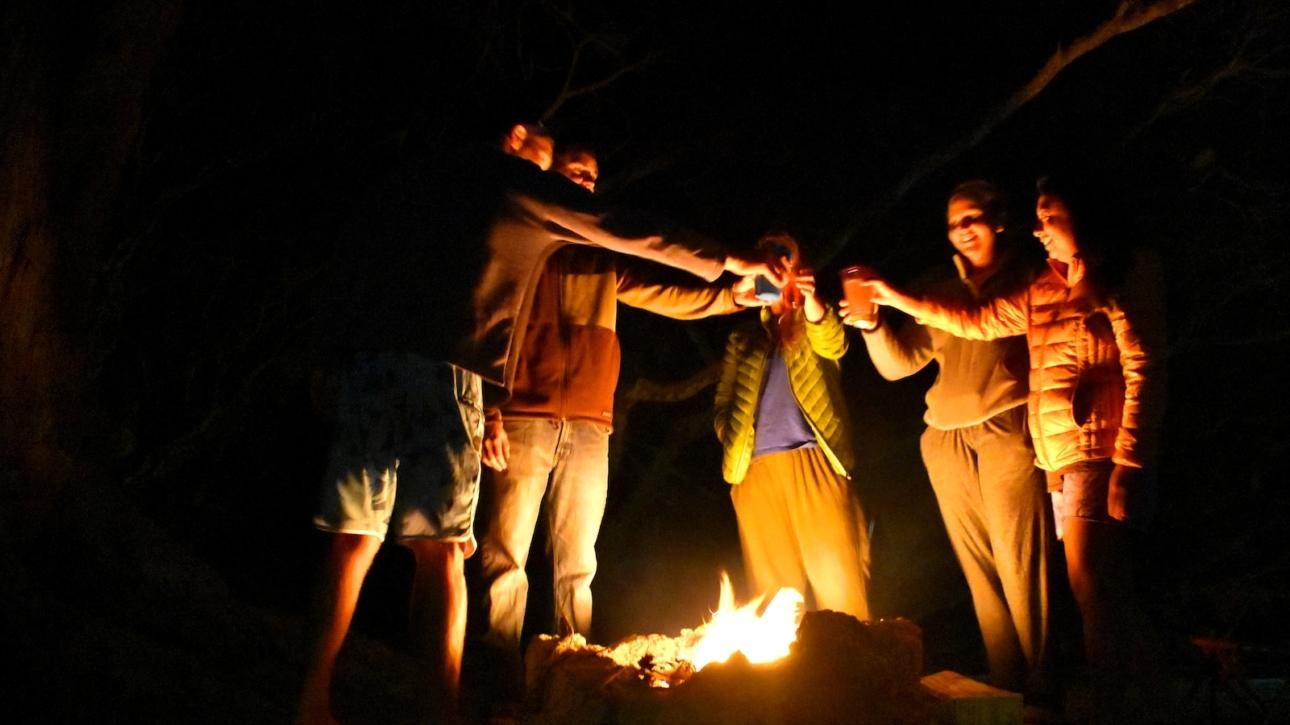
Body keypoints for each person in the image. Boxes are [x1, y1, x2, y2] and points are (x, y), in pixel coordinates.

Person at [296, 123, 784, 725]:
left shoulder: (431, 177)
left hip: (378, 362)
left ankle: (314, 701)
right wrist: (730, 258)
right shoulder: (516, 194)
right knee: (452, 553)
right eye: (549, 165)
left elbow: (365, 248)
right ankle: (453, 705)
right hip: (453, 374)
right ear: (520, 142)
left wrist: (329, 349)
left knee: (357, 539)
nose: (562, 180)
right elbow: (634, 229)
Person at [862, 174, 1167, 720]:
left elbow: (1144, 365)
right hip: (1057, 453)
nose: (1040, 228)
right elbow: (973, 323)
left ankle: (1100, 699)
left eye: (1050, 217)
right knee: (1098, 587)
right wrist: (892, 302)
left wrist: (1130, 462)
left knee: (1086, 580)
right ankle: (1134, 696)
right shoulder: (1044, 287)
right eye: (1041, 218)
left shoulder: (1115, 275)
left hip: (1091, 446)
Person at [474, 145, 764, 701]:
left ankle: (570, 683)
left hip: (588, 422)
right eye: (575, 174)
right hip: (523, 416)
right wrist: (489, 408)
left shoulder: (601, 257)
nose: (585, 183)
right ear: (550, 179)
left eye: (592, 178)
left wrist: (729, 296)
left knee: (577, 565)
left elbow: (665, 292)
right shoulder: (526, 242)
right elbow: (488, 325)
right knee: (504, 558)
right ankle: (495, 689)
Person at [840, 180, 1049, 697]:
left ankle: (1045, 688)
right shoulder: (938, 284)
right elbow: (900, 366)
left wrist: (900, 298)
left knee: (1020, 562)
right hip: (945, 438)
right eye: (954, 224)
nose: (963, 231)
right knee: (980, 574)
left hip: (1009, 424)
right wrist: (871, 326)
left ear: (999, 219)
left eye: (972, 218)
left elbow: (981, 323)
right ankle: (1006, 688)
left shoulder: (1028, 277)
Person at [713, 233, 870, 620]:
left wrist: (812, 300)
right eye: (769, 263)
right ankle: (784, 678)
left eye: (786, 261)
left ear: (801, 271)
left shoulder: (816, 320)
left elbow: (833, 343)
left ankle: (860, 673)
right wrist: (732, 436)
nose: (778, 271)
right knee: (772, 599)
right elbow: (722, 403)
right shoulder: (744, 338)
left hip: (813, 462)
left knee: (840, 587)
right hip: (755, 472)